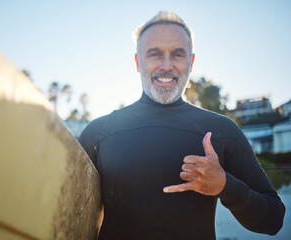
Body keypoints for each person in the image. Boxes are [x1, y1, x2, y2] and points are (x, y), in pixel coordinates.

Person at [79, 11, 285, 240]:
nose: (166, 66)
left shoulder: (221, 131)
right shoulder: (98, 133)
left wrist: (225, 185)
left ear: (191, 61)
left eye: (177, 54)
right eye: (154, 54)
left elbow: (274, 220)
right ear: (138, 62)